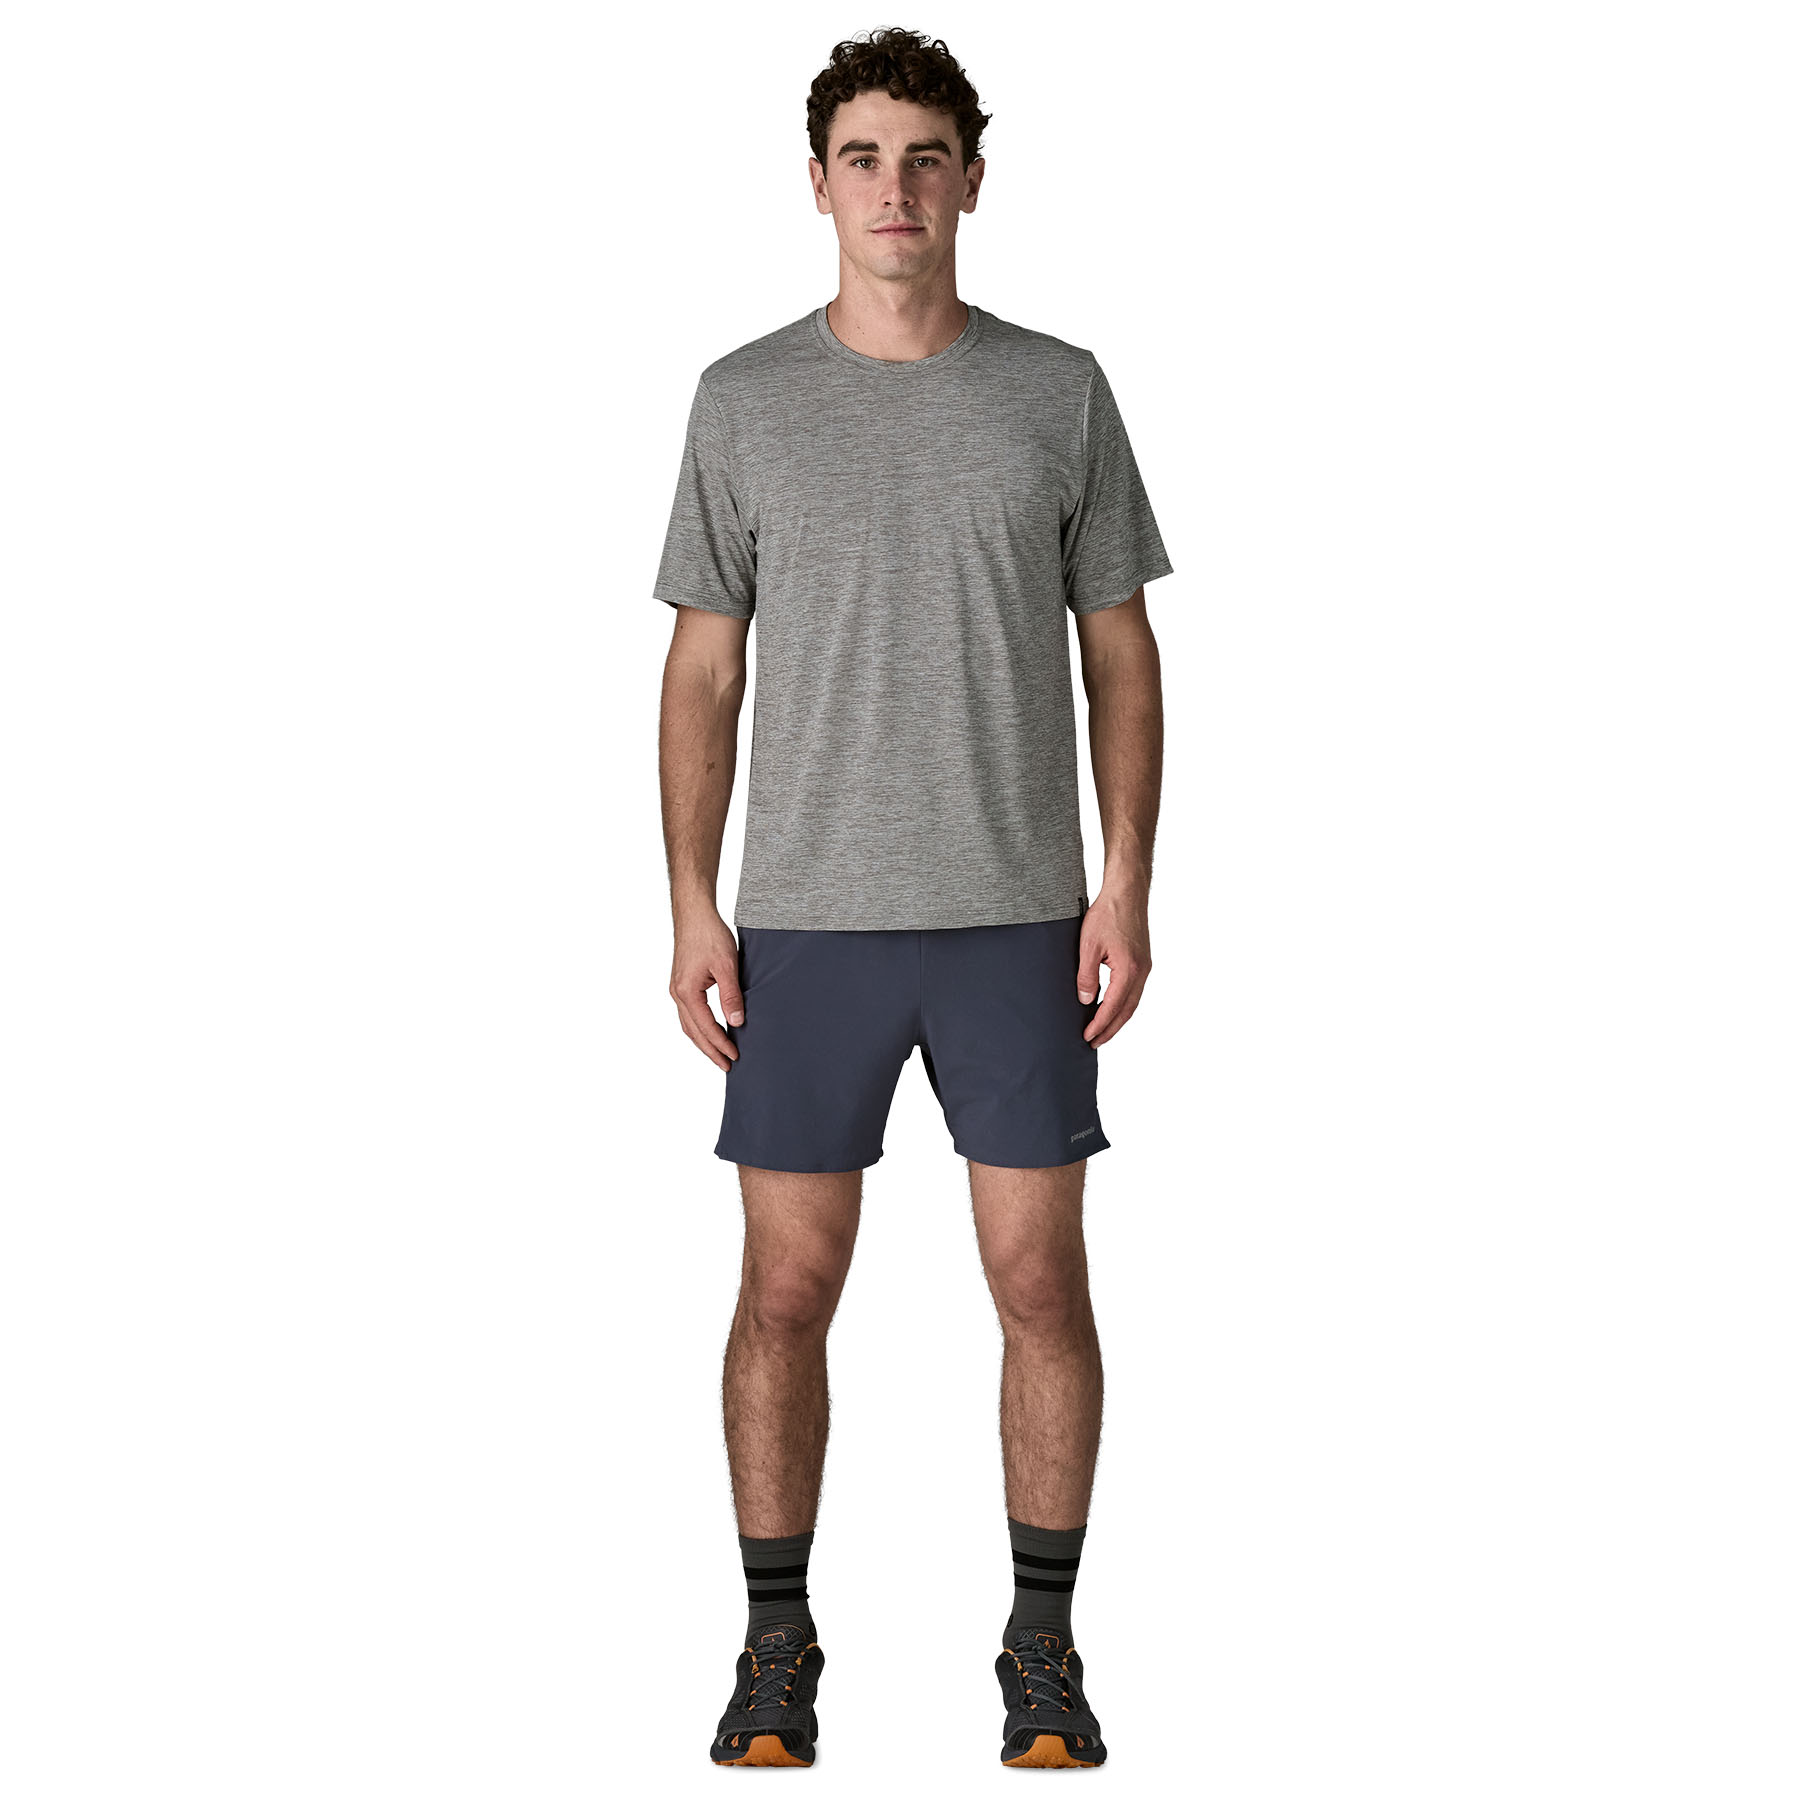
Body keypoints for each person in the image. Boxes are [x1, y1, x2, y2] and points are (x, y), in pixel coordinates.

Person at [652, 26, 1172, 1770]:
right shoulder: (742, 399)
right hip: (806, 918)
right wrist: (692, 904)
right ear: (818, 186)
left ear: (973, 180)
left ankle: (1043, 1648)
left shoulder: (1058, 390)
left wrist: (1125, 883)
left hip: (1019, 915)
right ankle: (774, 1648)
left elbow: (1122, 653)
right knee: (784, 1290)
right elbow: (703, 671)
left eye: (926, 157)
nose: (897, 189)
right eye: (865, 159)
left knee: (1039, 1281)